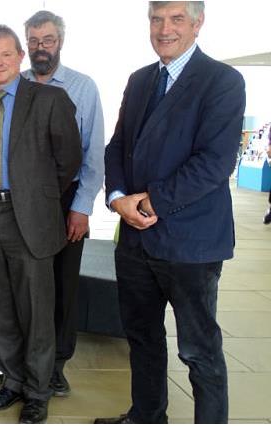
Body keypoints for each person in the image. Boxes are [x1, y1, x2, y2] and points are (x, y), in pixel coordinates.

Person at [96, 2, 245, 423]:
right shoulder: (140, 80)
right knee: (142, 338)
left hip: (191, 245)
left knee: (199, 350)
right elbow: (117, 147)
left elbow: (214, 163)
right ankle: (147, 414)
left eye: (177, 19)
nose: (165, 29)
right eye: (157, 19)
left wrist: (148, 202)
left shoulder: (222, 81)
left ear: (197, 24)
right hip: (136, 240)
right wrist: (118, 196)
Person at [0, 25, 81, 424]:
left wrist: (35, 196)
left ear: (19, 57)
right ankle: (12, 382)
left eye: (6, 55)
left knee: (36, 310)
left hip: (29, 218)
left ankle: (37, 390)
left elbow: (68, 162)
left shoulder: (49, 99)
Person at [9, 10, 105, 397]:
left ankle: (56, 366)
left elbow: (93, 154)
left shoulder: (83, 87)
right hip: (21, 198)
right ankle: (20, 365)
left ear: (60, 41)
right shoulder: (15, 84)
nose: (40, 48)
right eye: (32, 41)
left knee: (62, 288)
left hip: (66, 198)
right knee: (24, 285)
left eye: (47, 40)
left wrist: (80, 208)